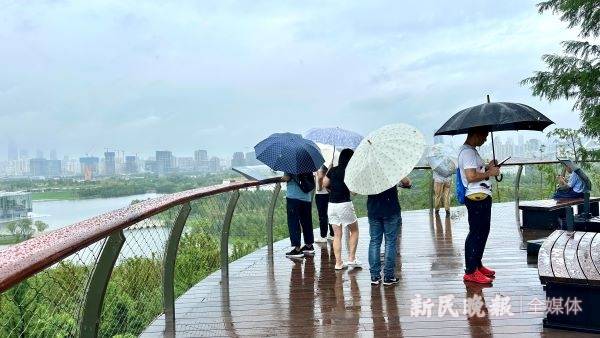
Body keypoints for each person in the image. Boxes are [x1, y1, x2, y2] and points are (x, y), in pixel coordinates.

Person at [458, 128, 500, 284]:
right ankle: (470, 271)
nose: (485, 139)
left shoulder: (471, 151)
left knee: (482, 231)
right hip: (476, 198)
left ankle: (477, 264)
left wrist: (488, 167)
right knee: (476, 232)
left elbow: (476, 171)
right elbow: (471, 176)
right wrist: (491, 173)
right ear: (475, 134)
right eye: (484, 136)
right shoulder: (468, 152)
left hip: (481, 195)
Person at [367, 177, 410, 286]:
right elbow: (407, 182)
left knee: (374, 242)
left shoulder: (368, 170)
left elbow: (353, 192)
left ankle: (375, 276)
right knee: (390, 242)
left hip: (373, 209)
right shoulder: (390, 168)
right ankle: (388, 276)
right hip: (390, 208)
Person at [323, 149, 361, 270]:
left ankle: (338, 263)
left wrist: (330, 170)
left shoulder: (333, 170)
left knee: (337, 235)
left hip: (332, 205)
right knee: (354, 230)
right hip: (344, 204)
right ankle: (351, 258)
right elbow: (354, 192)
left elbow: (324, 183)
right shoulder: (350, 172)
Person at [282, 172, 315, 258]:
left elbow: (287, 177)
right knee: (307, 222)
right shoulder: (307, 165)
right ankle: (309, 246)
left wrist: (283, 178)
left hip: (293, 197)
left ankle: (297, 249)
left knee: (293, 223)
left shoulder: (290, 164)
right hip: (306, 198)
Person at [315, 165, 333, 242]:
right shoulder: (328, 164)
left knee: (322, 216)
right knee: (330, 214)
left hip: (321, 195)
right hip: (329, 193)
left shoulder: (320, 165)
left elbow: (320, 176)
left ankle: (323, 236)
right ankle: (332, 234)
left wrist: (319, 187)